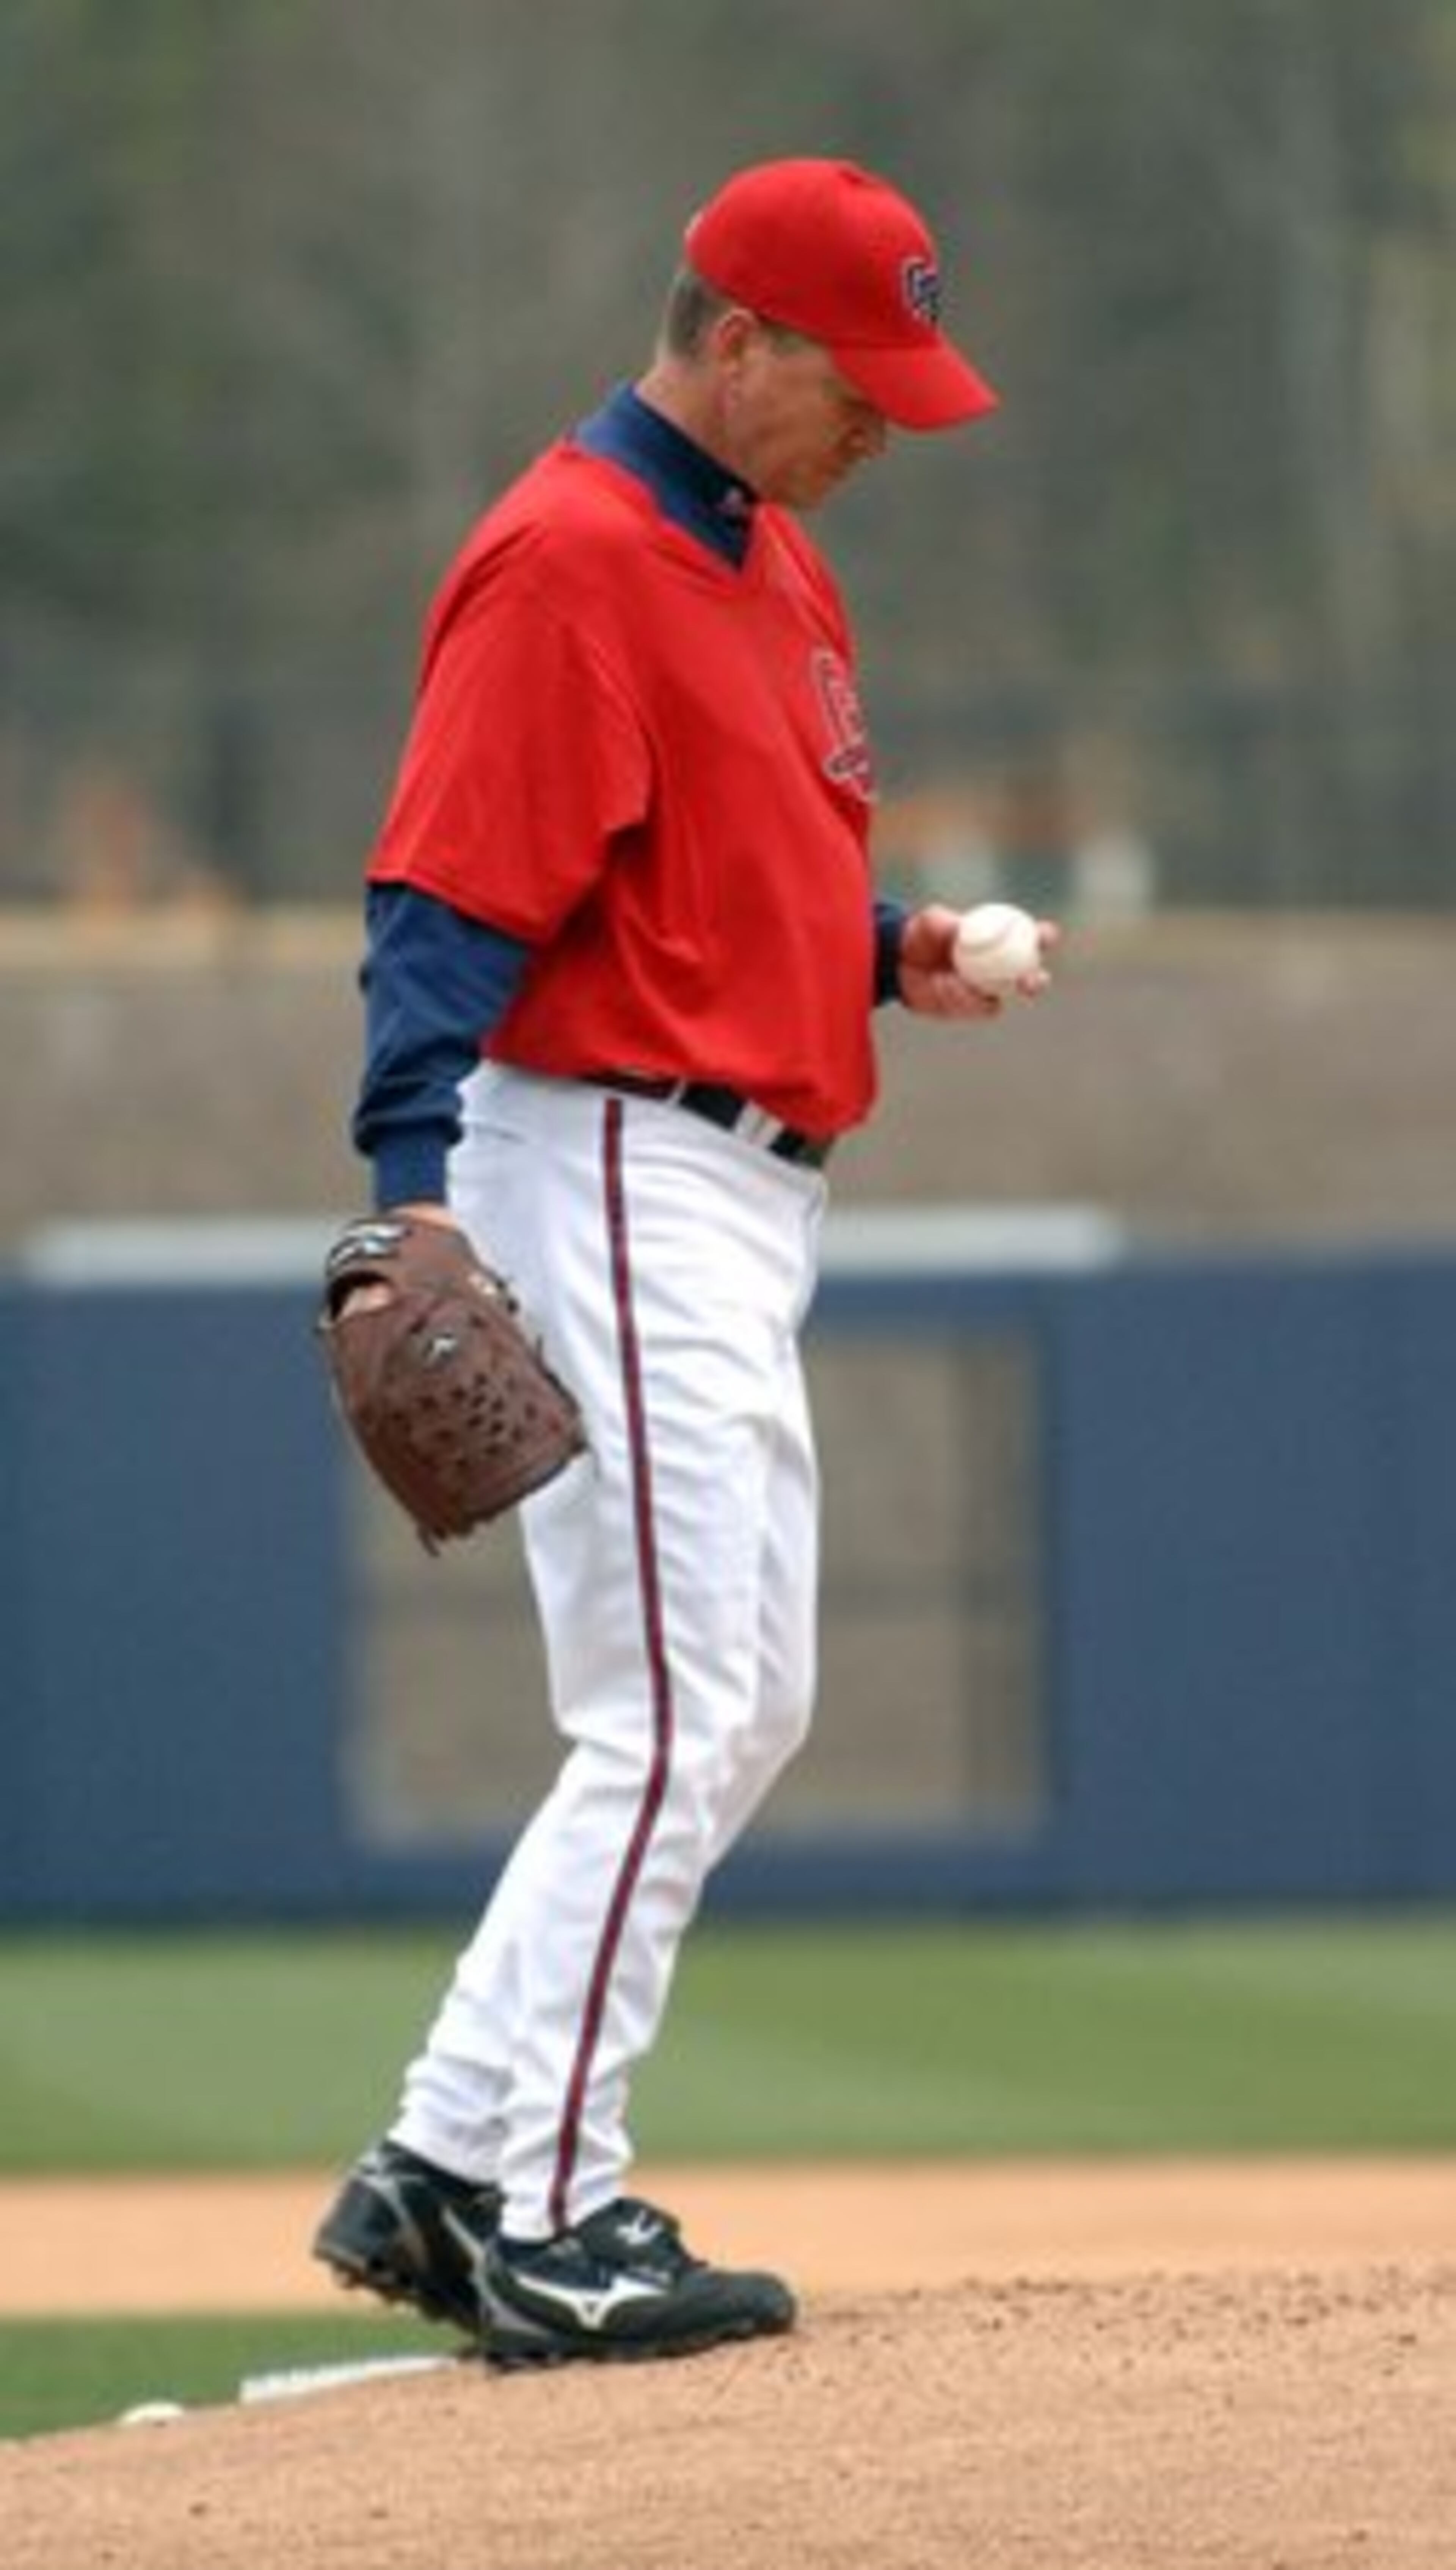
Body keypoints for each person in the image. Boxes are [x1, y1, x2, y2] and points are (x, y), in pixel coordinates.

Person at [313, 155, 1056, 2370]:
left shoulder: (772, 560)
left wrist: (898, 949)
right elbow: (448, 900)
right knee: (671, 1707)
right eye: (860, 380)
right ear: (736, 340)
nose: (887, 426)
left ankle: (452, 2158)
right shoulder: (568, 561)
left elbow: (715, 885)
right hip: (614, 1159)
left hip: (737, 1172)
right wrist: (410, 1177)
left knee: (751, 1699)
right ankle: (545, 2209)